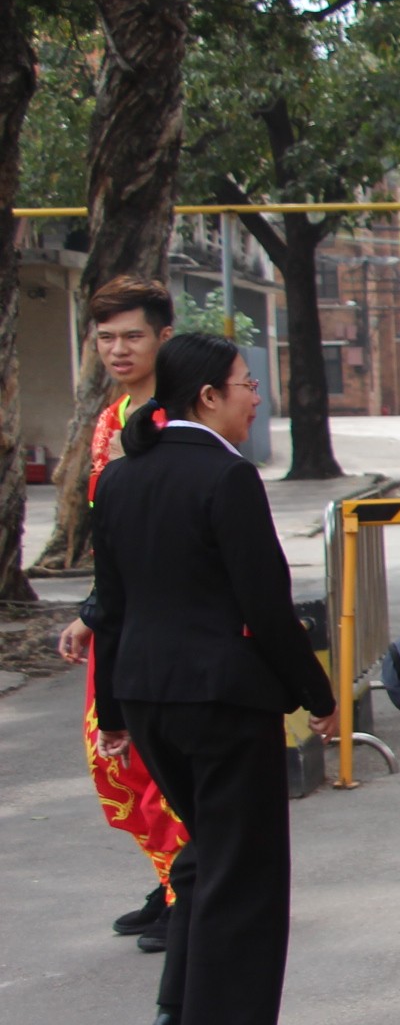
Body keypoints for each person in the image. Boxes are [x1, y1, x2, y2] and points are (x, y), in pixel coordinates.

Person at [89, 334, 337, 1025]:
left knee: (203, 857)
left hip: (147, 692)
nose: (254, 395)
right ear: (207, 397)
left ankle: (176, 1019)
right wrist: (317, 694)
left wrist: (112, 709)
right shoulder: (226, 478)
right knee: (242, 867)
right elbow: (265, 606)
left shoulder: (122, 479)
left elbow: (112, 604)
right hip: (222, 699)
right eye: (244, 383)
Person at [56, 278, 188, 949]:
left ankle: (184, 887)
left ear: (164, 337)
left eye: (131, 335)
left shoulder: (172, 420)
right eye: (105, 337)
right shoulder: (112, 418)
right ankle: (168, 876)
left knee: (146, 760)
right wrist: (93, 610)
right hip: (118, 613)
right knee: (114, 764)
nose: (117, 349)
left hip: (155, 621)